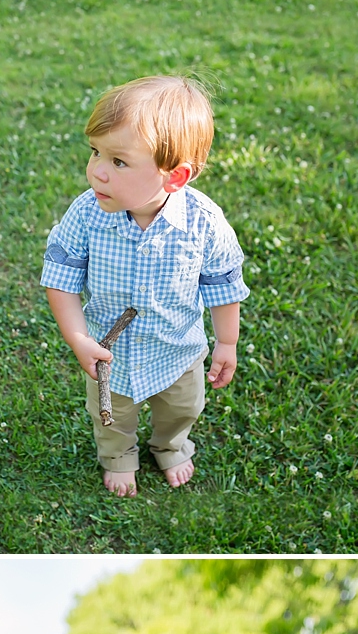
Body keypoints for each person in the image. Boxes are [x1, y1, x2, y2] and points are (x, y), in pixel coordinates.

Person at [41, 75, 248, 497]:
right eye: (95, 152)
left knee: (183, 408)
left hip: (178, 352)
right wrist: (79, 339)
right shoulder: (86, 214)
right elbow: (60, 279)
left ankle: (170, 444)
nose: (97, 170)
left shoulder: (204, 224)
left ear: (175, 177)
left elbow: (223, 284)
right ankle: (118, 455)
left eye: (118, 162)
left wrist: (227, 343)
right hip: (110, 356)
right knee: (110, 416)